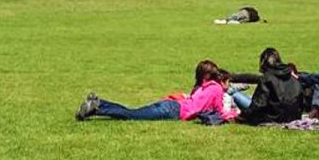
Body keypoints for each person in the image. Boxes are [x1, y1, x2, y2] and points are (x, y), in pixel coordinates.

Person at [75, 60, 238, 123]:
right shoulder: (216, 90)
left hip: (171, 105)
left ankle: (99, 102)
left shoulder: (205, 86)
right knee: (133, 115)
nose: (228, 86)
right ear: (221, 80)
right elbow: (219, 112)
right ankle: (96, 107)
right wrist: (236, 115)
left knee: (133, 112)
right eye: (228, 82)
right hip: (174, 111)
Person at [228, 48, 304, 125]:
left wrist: (241, 117)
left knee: (235, 94)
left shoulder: (267, 78)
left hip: (273, 117)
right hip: (293, 116)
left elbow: (258, 104)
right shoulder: (293, 78)